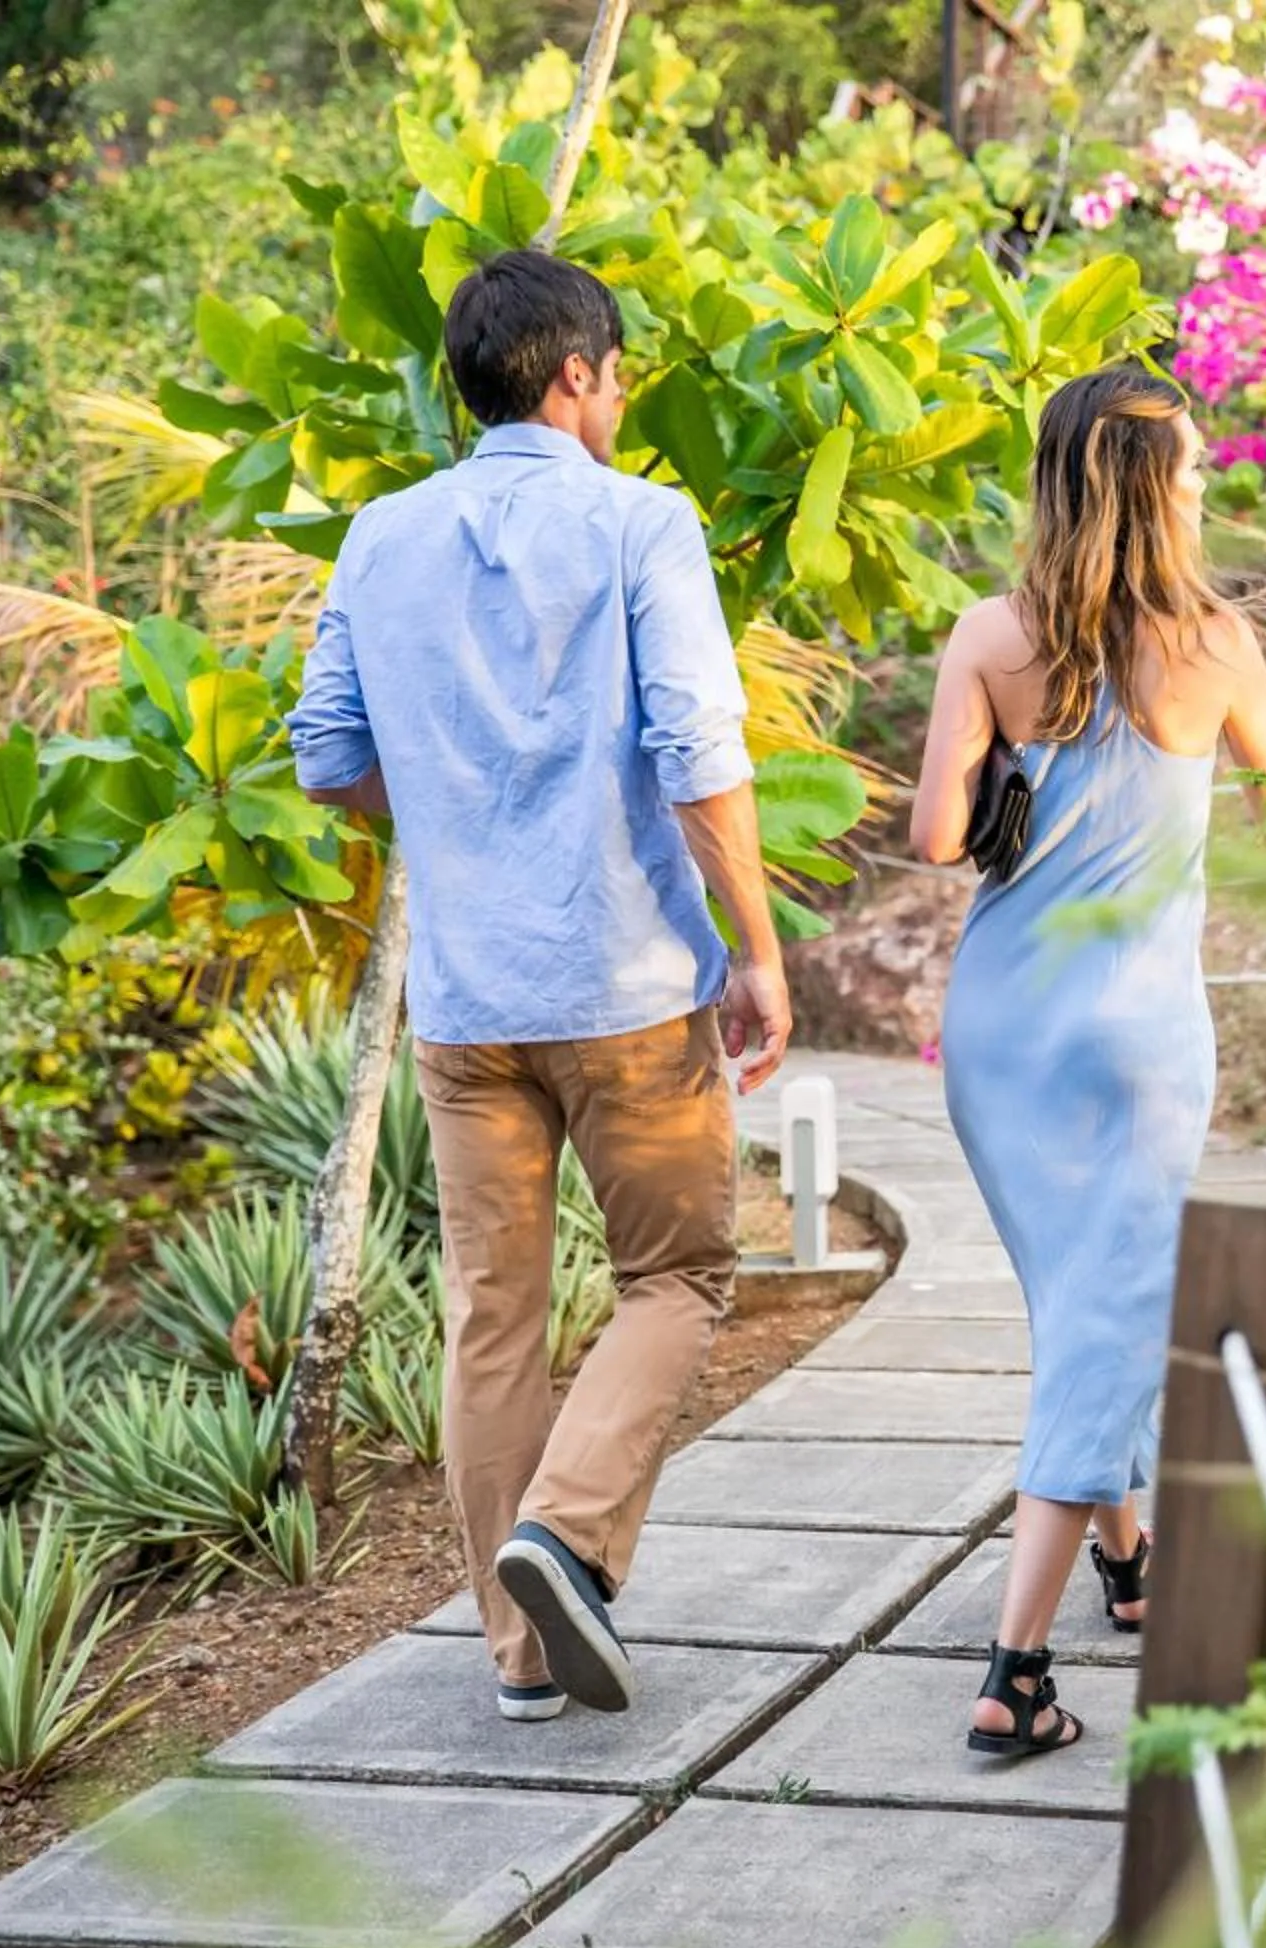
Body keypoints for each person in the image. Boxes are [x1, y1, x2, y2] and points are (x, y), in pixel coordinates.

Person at [288, 249, 790, 1724]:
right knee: (680, 1274)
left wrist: (457, 810)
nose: (620, 398)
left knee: (492, 1315)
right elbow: (702, 749)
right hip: (628, 985)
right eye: (619, 373)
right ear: (576, 372)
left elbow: (326, 759)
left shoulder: (379, 537)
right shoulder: (643, 522)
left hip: (464, 1003)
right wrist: (758, 947)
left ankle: (516, 1660)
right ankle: (562, 1538)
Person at [908, 363, 1266, 1758]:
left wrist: (1016, 761)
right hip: (1140, 1033)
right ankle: (1014, 1672)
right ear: (1158, 489)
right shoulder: (1216, 640)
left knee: (1079, 1300)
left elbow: (932, 842)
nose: (1210, 478)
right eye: (1196, 463)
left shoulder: (991, 633)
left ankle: (1130, 1558)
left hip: (1002, 1026)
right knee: (1106, 1311)